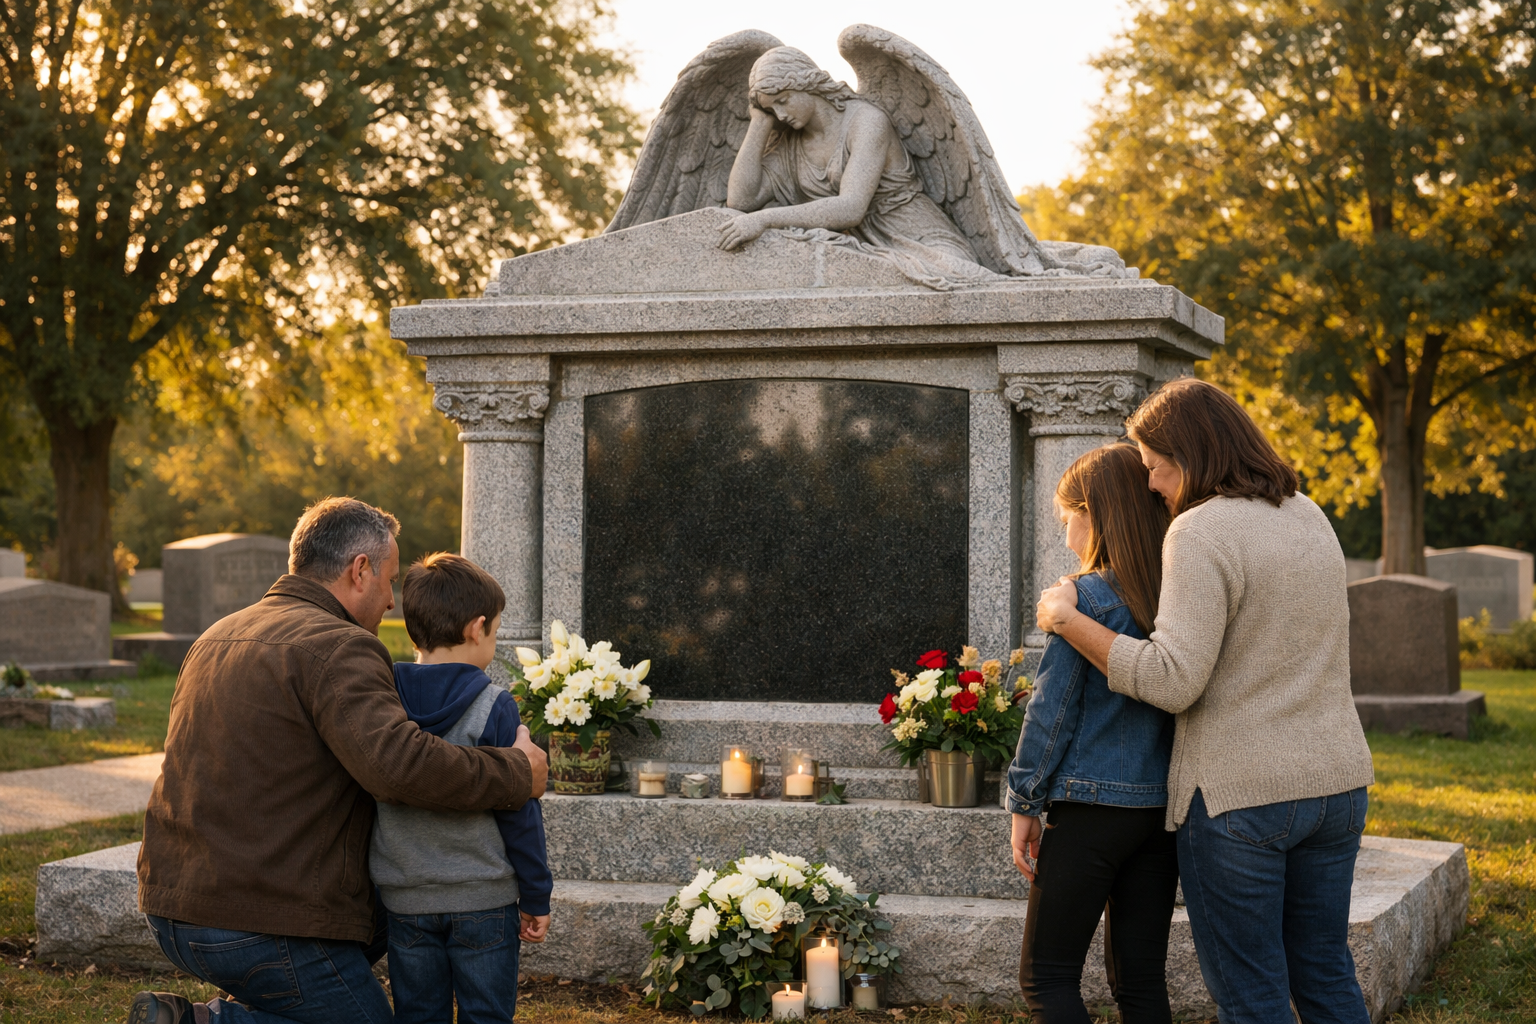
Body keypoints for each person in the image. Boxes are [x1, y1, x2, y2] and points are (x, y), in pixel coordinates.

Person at [130, 498, 549, 1024]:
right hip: (254, 921)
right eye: (390, 581)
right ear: (360, 570)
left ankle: (272, 997)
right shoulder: (339, 646)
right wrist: (517, 771)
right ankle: (204, 1023)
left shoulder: (218, 635)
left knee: (397, 908)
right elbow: (400, 766)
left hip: (173, 905)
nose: (394, 604)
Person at [1036, 378, 1375, 1024]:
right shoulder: (1308, 512)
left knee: (1253, 1000)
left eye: (1155, 468)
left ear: (1187, 454)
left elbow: (1171, 678)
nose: (1154, 487)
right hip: (1336, 787)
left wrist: (1065, 619)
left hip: (1240, 800)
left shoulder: (1198, 530)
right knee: (1326, 975)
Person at [1007, 444, 1177, 1023]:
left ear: (1095, 515)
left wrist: (1024, 801)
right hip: (1160, 816)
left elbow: (1050, 714)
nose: (1066, 536)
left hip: (1089, 808)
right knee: (1140, 983)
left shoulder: (1082, 599)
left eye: (1067, 519)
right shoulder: (1174, 594)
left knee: (1047, 979)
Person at [373, 552, 552, 1024]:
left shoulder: (382, 698)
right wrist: (536, 894)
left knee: (418, 1015)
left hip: (405, 898)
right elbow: (520, 810)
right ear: (478, 628)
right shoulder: (495, 706)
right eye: (494, 628)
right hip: (484, 901)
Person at [719, 46, 1003, 289]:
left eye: (783, 101)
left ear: (806, 83)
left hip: (919, 241)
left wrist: (765, 220)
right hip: (860, 250)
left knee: (954, 279)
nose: (780, 114)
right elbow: (742, 200)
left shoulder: (866, 121)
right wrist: (759, 122)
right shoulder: (790, 144)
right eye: (772, 109)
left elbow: (851, 208)